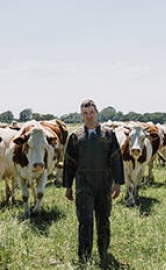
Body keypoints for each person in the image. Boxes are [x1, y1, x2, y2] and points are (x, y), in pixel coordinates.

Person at [63, 99, 124, 266]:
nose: (89, 116)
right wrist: (68, 186)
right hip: (83, 183)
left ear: (97, 113)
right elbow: (69, 163)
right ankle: (84, 256)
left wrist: (118, 183)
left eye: (91, 112)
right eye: (85, 113)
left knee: (104, 217)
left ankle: (103, 251)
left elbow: (116, 159)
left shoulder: (108, 134)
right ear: (81, 115)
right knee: (85, 219)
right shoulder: (75, 136)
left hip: (104, 182)